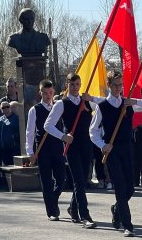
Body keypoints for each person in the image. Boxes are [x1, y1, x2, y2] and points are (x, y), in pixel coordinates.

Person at [89, 70, 142, 237]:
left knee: (130, 188)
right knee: (119, 187)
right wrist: (103, 145)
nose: (119, 88)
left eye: (121, 85)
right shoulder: (102, 106)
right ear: (109, 86)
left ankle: (117, 208)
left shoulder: (128, 103)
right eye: (116, 85)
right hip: (112, 150)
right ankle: (128, 225)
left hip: (128, 149)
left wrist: (133, 100)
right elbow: (93, 131)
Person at [44, 73, 102, 228]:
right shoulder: (61, 103)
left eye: (77, 84)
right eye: (72, 84)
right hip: (71, 146)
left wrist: (92, 98)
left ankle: (73, 208)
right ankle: (85, 215)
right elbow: (48, 125)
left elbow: (105, 104)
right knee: (79, 180)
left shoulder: (86, 102)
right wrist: (63, 136)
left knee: (83, 179)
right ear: (67, 85)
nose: (75, 87)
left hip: (86, 145)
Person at [26, 79, 66, 221]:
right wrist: (30, 152)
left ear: (53, 92)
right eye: (45, 93)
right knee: (47, 181)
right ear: (40, 93)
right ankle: (51, 211)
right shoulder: (35, 109)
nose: (48, 96)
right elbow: (30, 132)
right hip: (42, 149)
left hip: (57, 147)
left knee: (61, 178)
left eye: (50, 93)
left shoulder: (58, 107)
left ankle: (53, 200)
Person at [0, 101, 20, 165]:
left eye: (7, 107)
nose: (6, 109)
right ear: (1, 109)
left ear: (10, 108)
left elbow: (17, 130)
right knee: (5, 169)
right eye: (3, 107)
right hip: (2, 149)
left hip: (13, 148)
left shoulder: (16, 118)